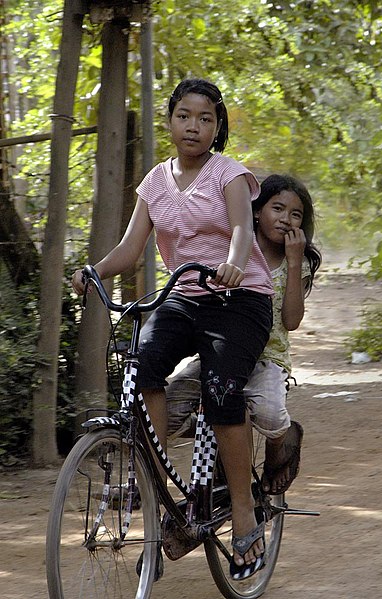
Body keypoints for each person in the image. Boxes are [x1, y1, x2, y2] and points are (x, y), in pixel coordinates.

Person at [72, 78, 274, 580]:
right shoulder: (155, 182)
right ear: (170, 120)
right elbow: (129, 248)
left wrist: (232, 263)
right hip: (183, 296)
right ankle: (155, 485)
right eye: (185, 115)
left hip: (240, 298)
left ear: (217, 126)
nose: (194, 126)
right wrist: (93, 270)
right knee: (142, 365)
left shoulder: (229, 174)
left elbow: (242, 230)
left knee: (221, 389)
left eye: (205, 118)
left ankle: (245, 515)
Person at [165, 173, 322, 494]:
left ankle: (284, 438)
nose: (286, 219)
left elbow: (291, 321)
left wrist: (293, 263)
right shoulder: (233, 251)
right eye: (277, 209)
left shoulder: (298, 263)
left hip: (267, 359)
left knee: (269, 412)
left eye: (295, 215)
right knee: (168, 410)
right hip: (223, 353)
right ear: (255, 211)